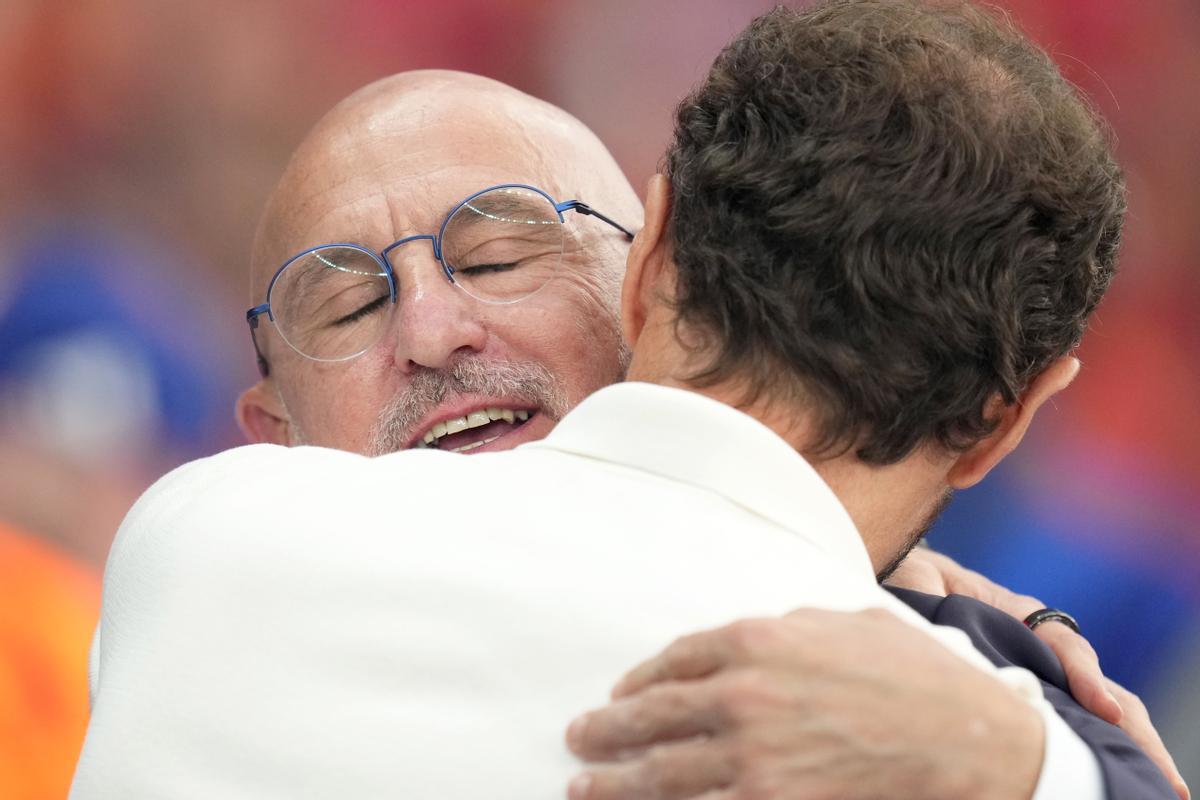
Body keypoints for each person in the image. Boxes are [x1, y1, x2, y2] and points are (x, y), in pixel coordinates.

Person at [73, 2, 1184, 799]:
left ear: (644, 272)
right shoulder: (928, 709)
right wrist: (1047, 746)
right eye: (345, 306)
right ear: (269, 437)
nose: (428, 329)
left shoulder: (191, 537)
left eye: (503, 251)